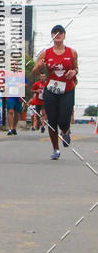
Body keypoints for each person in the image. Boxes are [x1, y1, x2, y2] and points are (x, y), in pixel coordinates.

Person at [32, 24, 78, 160]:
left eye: (60, 33)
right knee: (52, 120)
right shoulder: (45, 53)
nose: (58, 35)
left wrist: (73, 72)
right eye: (55, 33)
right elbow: (34, 72)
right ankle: (56, 149)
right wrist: (39, 67)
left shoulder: (72, 52)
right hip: (51, 90)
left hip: (67, 89)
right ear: (52, 36)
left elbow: (76, 68)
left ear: (64, 36)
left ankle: (65, 130)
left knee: (64, 118)